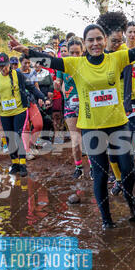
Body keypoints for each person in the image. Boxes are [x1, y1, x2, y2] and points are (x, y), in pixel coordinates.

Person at [8, 19, 135, 229]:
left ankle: (131, 202)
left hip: (118, 124)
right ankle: (106, 220)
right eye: (90, 40)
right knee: (101, 175)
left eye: (99, 39)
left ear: (104, 40)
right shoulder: (76, 64)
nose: (95, 43)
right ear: (85, 43)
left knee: (128, 169)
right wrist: (26, 51)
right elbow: (49, 61)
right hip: (92, 127)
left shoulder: (117, 58)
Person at [97, 12, 135, 196]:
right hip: (106, 107)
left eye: (120, 39)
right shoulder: (97, 54)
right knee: (111, 147)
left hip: (129, 103)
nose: (118, 43)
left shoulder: (126, 52)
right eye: (114, 40)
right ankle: (118, 181)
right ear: (105, 38)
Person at [0, 53, 45, 176]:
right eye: (0, 66)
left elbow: (31, 87)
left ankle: (22, 164)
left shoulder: (18, 75)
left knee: (17, 135)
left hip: (19, 111)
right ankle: (15, 163)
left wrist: (43, 97)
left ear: (9, 64)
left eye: (5, 65)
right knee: (9, 137)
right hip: (5, 113)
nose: (3, 69)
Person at [54, 37, 84, 179]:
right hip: (70, 105)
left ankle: (94, 167)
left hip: (87, 104)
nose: (74, 56)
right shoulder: (62, 65)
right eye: (72, 52)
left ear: (82, 51)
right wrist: (57, 83)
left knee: (91, 138)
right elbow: (58, 80)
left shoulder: (87, 63)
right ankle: (78, 167)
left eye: (77, 52)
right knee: (76, 139)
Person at [19, 54, 47, 159]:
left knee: (38, 124)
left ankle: (30, 144)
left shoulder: (33, 72)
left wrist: (40, 97)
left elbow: (36, 86)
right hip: (21, 104)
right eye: (25, 63)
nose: (27, 65)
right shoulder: (16, 73)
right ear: (20, 62)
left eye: (29, 63)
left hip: (32, 101)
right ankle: (26, 151)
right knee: (25, 126)